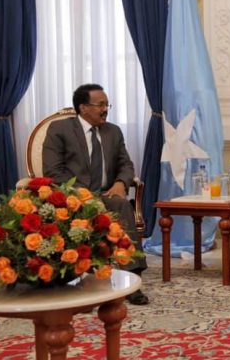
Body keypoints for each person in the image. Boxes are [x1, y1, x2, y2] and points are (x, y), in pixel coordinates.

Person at [42, 84, 150, 305]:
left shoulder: (113, 131)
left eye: (107, 104)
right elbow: (52, 172)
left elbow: (126, 164)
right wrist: (79, 194)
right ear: (83, 108)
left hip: (105, 195)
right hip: (73, 198)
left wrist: (120, 183)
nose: (105, 109)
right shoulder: (59, 129)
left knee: (122, 205)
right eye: (100, 104)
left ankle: (134, 280)